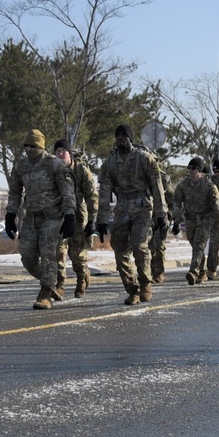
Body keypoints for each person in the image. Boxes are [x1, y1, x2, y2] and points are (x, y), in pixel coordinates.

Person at [5, 129, 76, 310]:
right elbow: (14, 192)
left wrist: (70, 215)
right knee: (27, 257)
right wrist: (10, 214)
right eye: (26, 146)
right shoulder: (21, 166)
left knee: (48, 255)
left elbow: (67, 191)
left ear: (40, 146)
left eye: (32, 146)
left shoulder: (54, 164)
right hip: (32, 218)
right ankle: (51, 281)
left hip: (53, 217)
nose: (28, 149)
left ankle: (45, 294)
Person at [97, 124, 167, 305]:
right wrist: (102, 219)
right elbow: (104, 191)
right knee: (120, 249)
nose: (121, 139)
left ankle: (145, 283)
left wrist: (161, 215)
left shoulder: (144, 159)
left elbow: (157, 188)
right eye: (117, 136)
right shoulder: (110, 163)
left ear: (131, 138)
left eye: (124, 135)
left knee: (139, 246)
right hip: (122, 208)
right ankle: (132, 288)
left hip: (142, 207)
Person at [54, 139, 98, 298]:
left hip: (79, 217)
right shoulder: (53, 170)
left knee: (77, 255)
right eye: (57, 151)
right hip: (60, 217)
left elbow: (92, 196)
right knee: (58, 252)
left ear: (69, 153)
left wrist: (93, 220)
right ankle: (60, 285)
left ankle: (81, 279)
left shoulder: (81, 170)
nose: (59, 154)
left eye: (62, 151)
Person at [173, 157, 219, 285]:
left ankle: (193, 272)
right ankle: (202, 272)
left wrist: (217, 221)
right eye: (189, 168)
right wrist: (176, 221)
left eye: (193, 168)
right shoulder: (183, 185)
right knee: (195, 246)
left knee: (199, 245)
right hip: (190, 220)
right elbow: (176, 202)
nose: (190, 170)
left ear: (199, 170)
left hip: (204, 220)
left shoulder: (209, 185)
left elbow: (216, 205)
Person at [150, 167, 174, 283]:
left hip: (161, 217)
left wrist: (174, 218)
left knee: (158, 245)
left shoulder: (163, 177)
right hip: (145, 216)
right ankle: (149, 272)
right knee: (147, 247)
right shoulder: (139, 173)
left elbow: (170, 198)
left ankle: (158, 273)